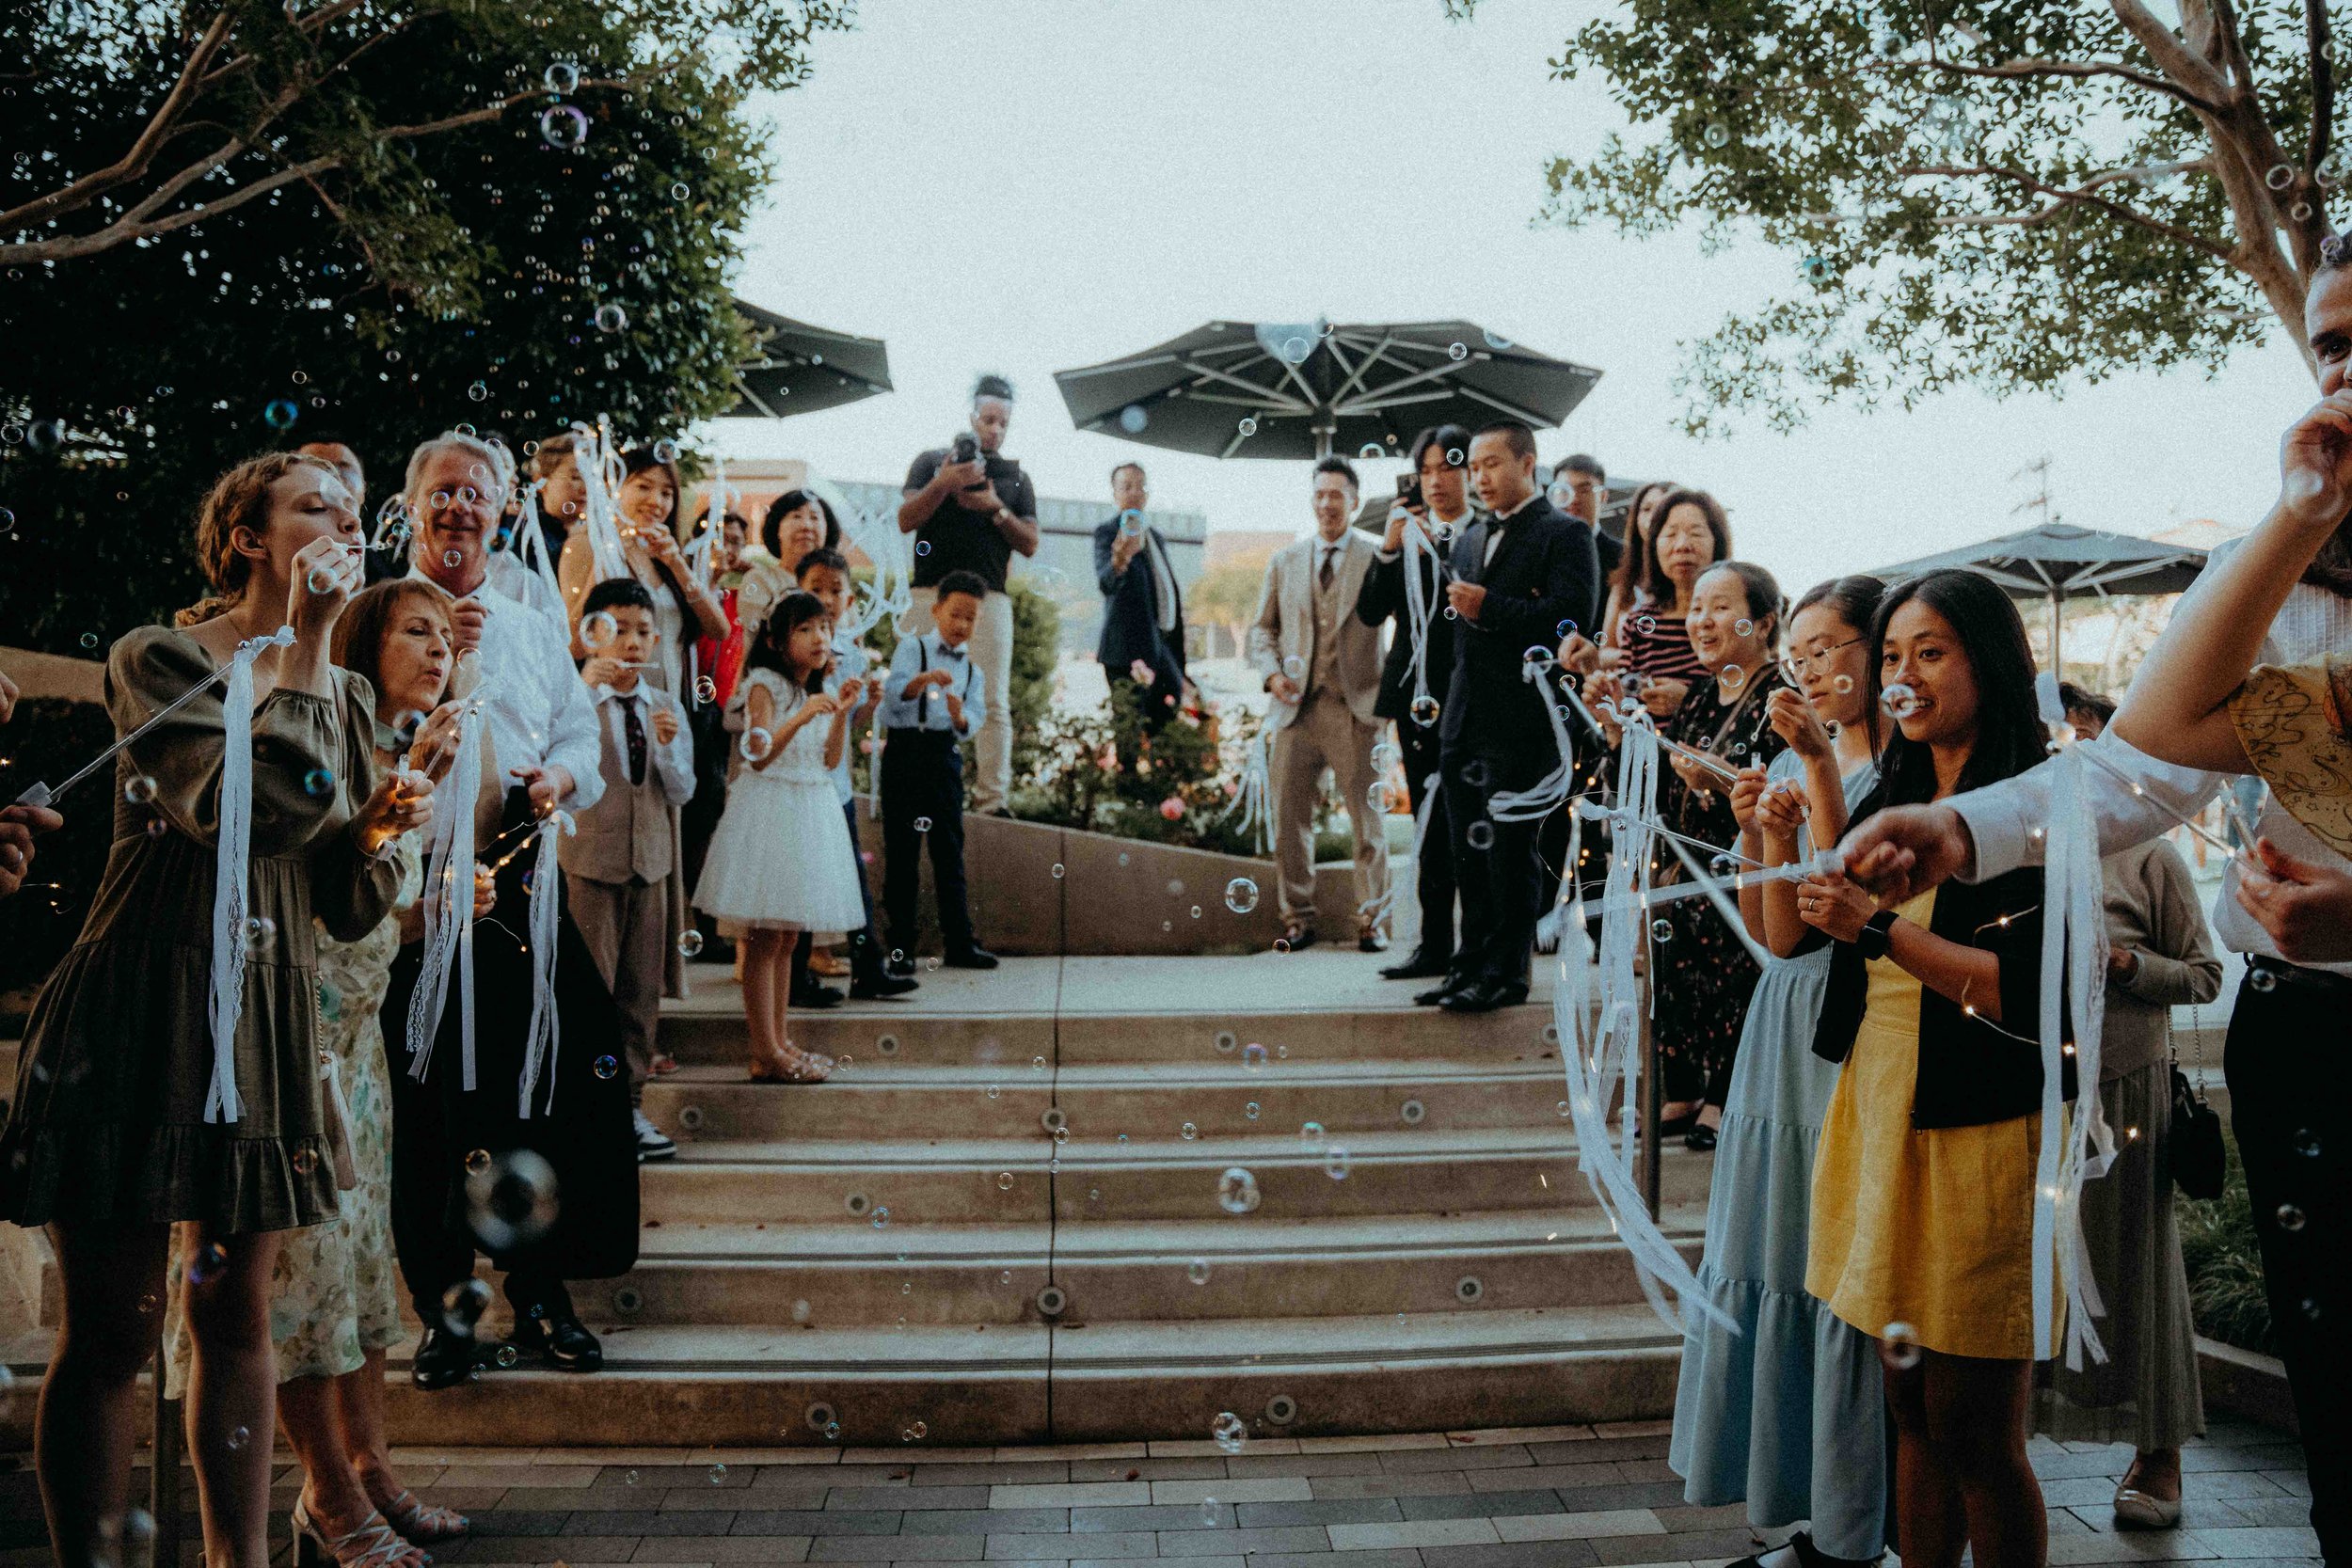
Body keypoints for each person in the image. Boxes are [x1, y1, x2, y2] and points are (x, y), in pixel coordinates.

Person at [1838, 272, 2352, 1557]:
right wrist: (1958, 828)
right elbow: (2140, 761)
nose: (2348, 380)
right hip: (2314, 1049)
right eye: (2335, 345)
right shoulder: (2290, 575)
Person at [1, 452, 423, 1568]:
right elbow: (245, 807)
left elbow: (338, 897)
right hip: (145, 998)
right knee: (115, 1327)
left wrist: (385, 822)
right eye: (311, 506)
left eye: (349, 508)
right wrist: (314, 651)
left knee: (237, 1315)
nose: (341, 521)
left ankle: (239, 1559)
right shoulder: (162, 658)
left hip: (265, 1017)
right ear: (249, 537)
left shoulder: (345, 694)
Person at [165, 579, 479, 1566]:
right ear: (361, 642)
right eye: (414, 631)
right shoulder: (328, 733)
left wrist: (443, 900)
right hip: (289, 1035)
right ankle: (330, 1493)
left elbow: (369, 908)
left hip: (358, 1044)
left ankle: (371, 1466)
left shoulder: (404, 750)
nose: (438, 649)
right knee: (296, 1278)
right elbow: (294, 881)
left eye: (445, 634)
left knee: (356, 1273)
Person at [1801, 568, 2068, 1568]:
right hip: (1883, 1106)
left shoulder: (2030, 809)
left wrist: (1876, 931)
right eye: (1896, 654)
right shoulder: (1895, 789)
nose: (1905, 677)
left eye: (1932, 651)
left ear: (1987, 662)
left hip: (1982, 1124)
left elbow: (2024, 994)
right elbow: (1807, 933)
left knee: (1970, 1421)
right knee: (1906, 1397)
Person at [392, 431, 636, 1390]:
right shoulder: (376, 620)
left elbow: (579, 729)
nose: (458, 508)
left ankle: (541, 1296)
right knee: (430, 1113)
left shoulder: (534, 625)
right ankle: (446, 1312)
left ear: (503, 510)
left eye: (475, 495)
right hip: (411, 899)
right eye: (440, 492)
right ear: (411, 509)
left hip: (520, 892)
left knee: (542, 1096)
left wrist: (561, 773)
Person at [1669, 575, 1889, 1568]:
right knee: (1785, 1254)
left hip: (1862, 1033)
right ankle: (1812, 1512)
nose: (1809, 664)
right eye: (1797, 648)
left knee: (1842, 1272)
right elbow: (1780, 935)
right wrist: (1760, 824)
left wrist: (1810, 774)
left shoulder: (1906, 766)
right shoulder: (1796, 752)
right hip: (1786, 1023)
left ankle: (1856, 1527)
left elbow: (1851, 911)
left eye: (1830, 643)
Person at [2026, 685, 2221, 1528]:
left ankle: (2160, 1451)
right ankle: (2006, 1441)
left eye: (2089, 743)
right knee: (2032, 1269)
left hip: (2128, 1086)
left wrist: (2131, 967)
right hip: (2030, 1083)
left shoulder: (2150, 853)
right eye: (2054, 744)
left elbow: (2207, 973)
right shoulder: (2014, 842)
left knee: (2137, 1263)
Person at [1593, 562, 1792, 1147]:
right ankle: (1683, 1090)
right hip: (1685, 872)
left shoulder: (1778, 698)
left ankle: (1727, 1095)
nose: (1703, 620)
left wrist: (1723, 785)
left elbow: (1785, 789)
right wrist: (1614, 736)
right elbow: (1655, 794)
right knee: (1671, 945)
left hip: (1744, 875)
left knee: (1726, 955)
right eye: (1698, 607)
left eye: (1722, 606)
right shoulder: (1701, 695)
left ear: (1764, 621)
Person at [1429, 420, 1600, 1014]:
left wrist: (1492, 607)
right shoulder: (1471, 536)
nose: (1480, 477)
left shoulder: (1564, 534)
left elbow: (1570, 618)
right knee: (1465, 852)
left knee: (1507, 852)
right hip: (1463, 717)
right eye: (1473, 467)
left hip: (1522, 720)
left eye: (1492, 463)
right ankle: (1466, 966)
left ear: (1529, 464)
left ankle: (1507, 974)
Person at [696, 589, 865, 1080]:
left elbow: (830, 761)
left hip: (809, 806)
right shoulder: (765, 684)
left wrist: (840, 715)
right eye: (806, 629)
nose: (820, 638)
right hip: (770, 809)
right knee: (765, 937)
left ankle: (781, 1042)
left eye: (825, 628)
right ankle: (763, 1050)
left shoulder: (815, 690)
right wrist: (805, 714)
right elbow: (759, 754)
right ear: (777, 639)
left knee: (789, 937)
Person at [567, 578, 697, 1164]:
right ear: (591, 634)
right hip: (588, 865)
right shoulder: (571, 697)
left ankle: (631, 1108)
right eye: (617, 628)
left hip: (650, 867)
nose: (633, 642)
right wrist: (582, 693)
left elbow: (683, 790)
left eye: (644, 630)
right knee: (587, 992)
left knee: (639, 996)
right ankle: (582, 1112)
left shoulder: (664, 704)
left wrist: (669, 747)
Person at [1246, 455, 1391, 953]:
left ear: (1354, 501)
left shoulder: (1377, 558)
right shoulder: (1285, 561)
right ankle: (1297, 918)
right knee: (1290, 822)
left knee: (1367, 822)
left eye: (1337, 495)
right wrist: (1270, 675)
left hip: (1356, 708)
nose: (1327, 504)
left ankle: (1373, 920)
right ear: (1312, 500)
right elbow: (1261, 630)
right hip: (1296, 709)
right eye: (1320, 494)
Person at [1357, 425, 1474, 981]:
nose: (1435, 481)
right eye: (1424, 471)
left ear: (1470, 471)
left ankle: (1475, 948)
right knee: (1427, 820)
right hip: (1417, 693)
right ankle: (1432, 945)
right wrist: (1389, 547)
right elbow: (1370, 613)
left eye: (1446, 468)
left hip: (1474, 697)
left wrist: (1441, 548)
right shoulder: (1405, 533)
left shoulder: (1484, 534)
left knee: (1469, 821)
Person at [898, 373, 1041, 815]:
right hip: (929, 593)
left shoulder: (1015, 478)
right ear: (971, 416)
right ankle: (917, 787)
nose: (995, 429)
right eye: (988, 419)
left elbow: (1031, 543)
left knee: (992, 699)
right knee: (918, 689)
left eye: (1003, 422)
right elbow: (905, 519)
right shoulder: (930, 462)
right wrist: (943, 483)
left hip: (989, 600)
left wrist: (995, 507)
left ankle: (991, 800)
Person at [796, 546, 916, 1001]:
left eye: (837, 590)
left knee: (850, 874)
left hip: (836, 783)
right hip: (802, 782)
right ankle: (796, 978)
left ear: (850, 599)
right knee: (804, 877)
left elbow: (850, 721)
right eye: (816, 589)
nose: (827, 599)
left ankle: (869, 969)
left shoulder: (852, 651)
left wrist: (867, 702)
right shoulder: (792, 645)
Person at [875, 570, 999, 969]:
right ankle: (900, 950)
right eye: (955, 615)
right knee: (902, 852)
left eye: (971, 618)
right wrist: (923, 680)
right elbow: (892, 699)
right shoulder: (912, 649)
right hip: (906, 753)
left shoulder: (972, 671)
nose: (962, 625)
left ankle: (960, 943)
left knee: (949, 850)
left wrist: (962, 719)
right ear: (936, 611)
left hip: (943, 756)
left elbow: (975, 718)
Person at [557, 443, 730, 692]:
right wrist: (607, 558)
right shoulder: (585, 546)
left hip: (668, 704)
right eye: (643, 487)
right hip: (611, 702)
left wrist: (676, 563)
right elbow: (575, 645)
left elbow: (718, 630)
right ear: (615, 489)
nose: (656, 502)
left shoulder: (669, 551)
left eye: (667, 493)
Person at [1094, 461, 1188, 726]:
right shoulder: (1108, 532)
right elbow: (1105, 583)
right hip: (1125, 651)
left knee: (1168, 721)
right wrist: (1120, 559)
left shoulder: (1155, 537)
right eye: (1127, 487)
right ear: (1115, 494)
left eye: (1141, 486)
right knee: (1129, 731)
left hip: (1160, 645)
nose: (1135, 492)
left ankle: (1163, 767)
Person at [738, 486, 841, 645]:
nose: (806, 526)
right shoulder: (759, 580)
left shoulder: (838, 584)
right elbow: (759, 642)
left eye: (814, 518)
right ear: (777, 528)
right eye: (796, 516)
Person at [1555, 452, 1616, 581]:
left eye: (1584, 491)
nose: (1574, 499)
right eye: (1564, 491)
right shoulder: (1537, 550)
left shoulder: (1623, 558)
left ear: (1603, 496)